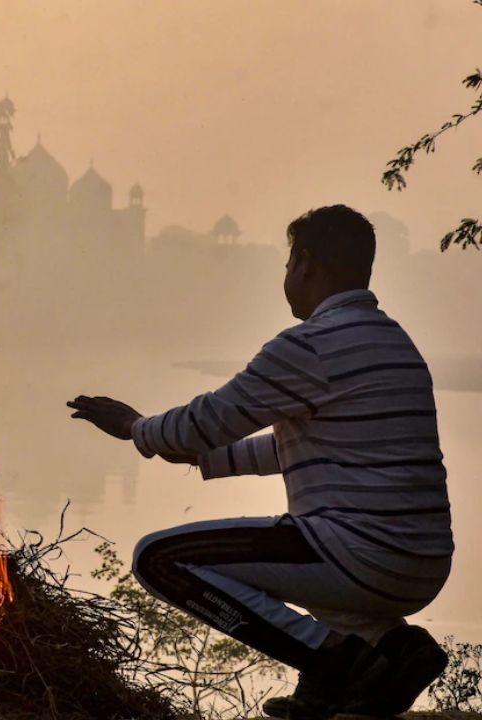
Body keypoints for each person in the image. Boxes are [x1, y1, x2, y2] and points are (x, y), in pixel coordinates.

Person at [67, 205, 452, 720]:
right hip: (421, 564)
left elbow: (200, 422)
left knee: (158, 558)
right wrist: (199, 458)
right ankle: (395, 650)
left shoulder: (311, 345)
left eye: (289, 264)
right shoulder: (394, 342)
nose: (287, 276)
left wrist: (135, 427)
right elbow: (298, 447)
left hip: (361, 555)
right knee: (298, 551)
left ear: (307, 264)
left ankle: (331, 660)